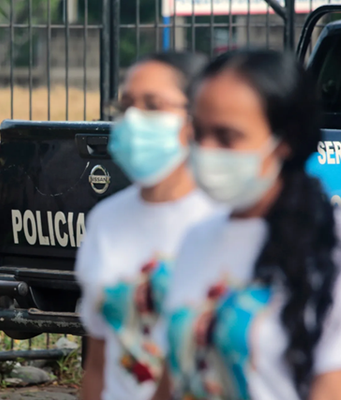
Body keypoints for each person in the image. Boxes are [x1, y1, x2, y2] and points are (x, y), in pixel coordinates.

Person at [154, 49, 341, 400]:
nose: (206, 151)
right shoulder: (197, 238)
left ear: (284, 141)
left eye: (227, 137)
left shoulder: (331, 247)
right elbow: (173, 374)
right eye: (199, 133)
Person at [75, 52, 219, 400]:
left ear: (196, 116)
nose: (134, 120)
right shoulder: (105, 221)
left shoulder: (221, 220)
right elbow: (98, 363)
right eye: (126, 107)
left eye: (153, 105)